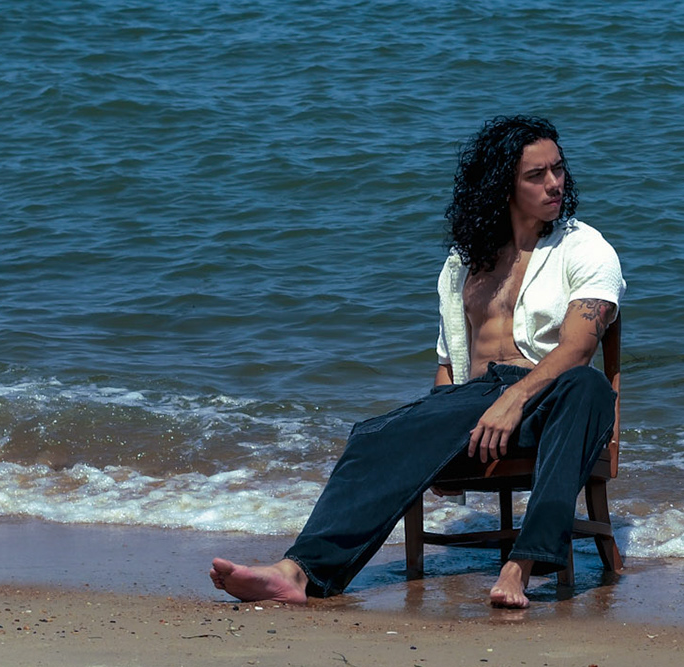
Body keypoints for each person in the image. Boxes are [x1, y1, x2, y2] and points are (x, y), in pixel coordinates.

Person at [210, 115, 623, 609]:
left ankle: (522, 564)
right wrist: (438, 443)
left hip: (549, 399)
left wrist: (514, 399)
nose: (555, 183)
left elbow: (578, 348)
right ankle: (297, 572)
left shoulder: (585, 247)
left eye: (558, 169)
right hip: (476, 402)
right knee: (374, 435)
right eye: (536, 175)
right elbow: (450, 363)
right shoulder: (464, 264)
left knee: (588, 386)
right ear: (503, 186)